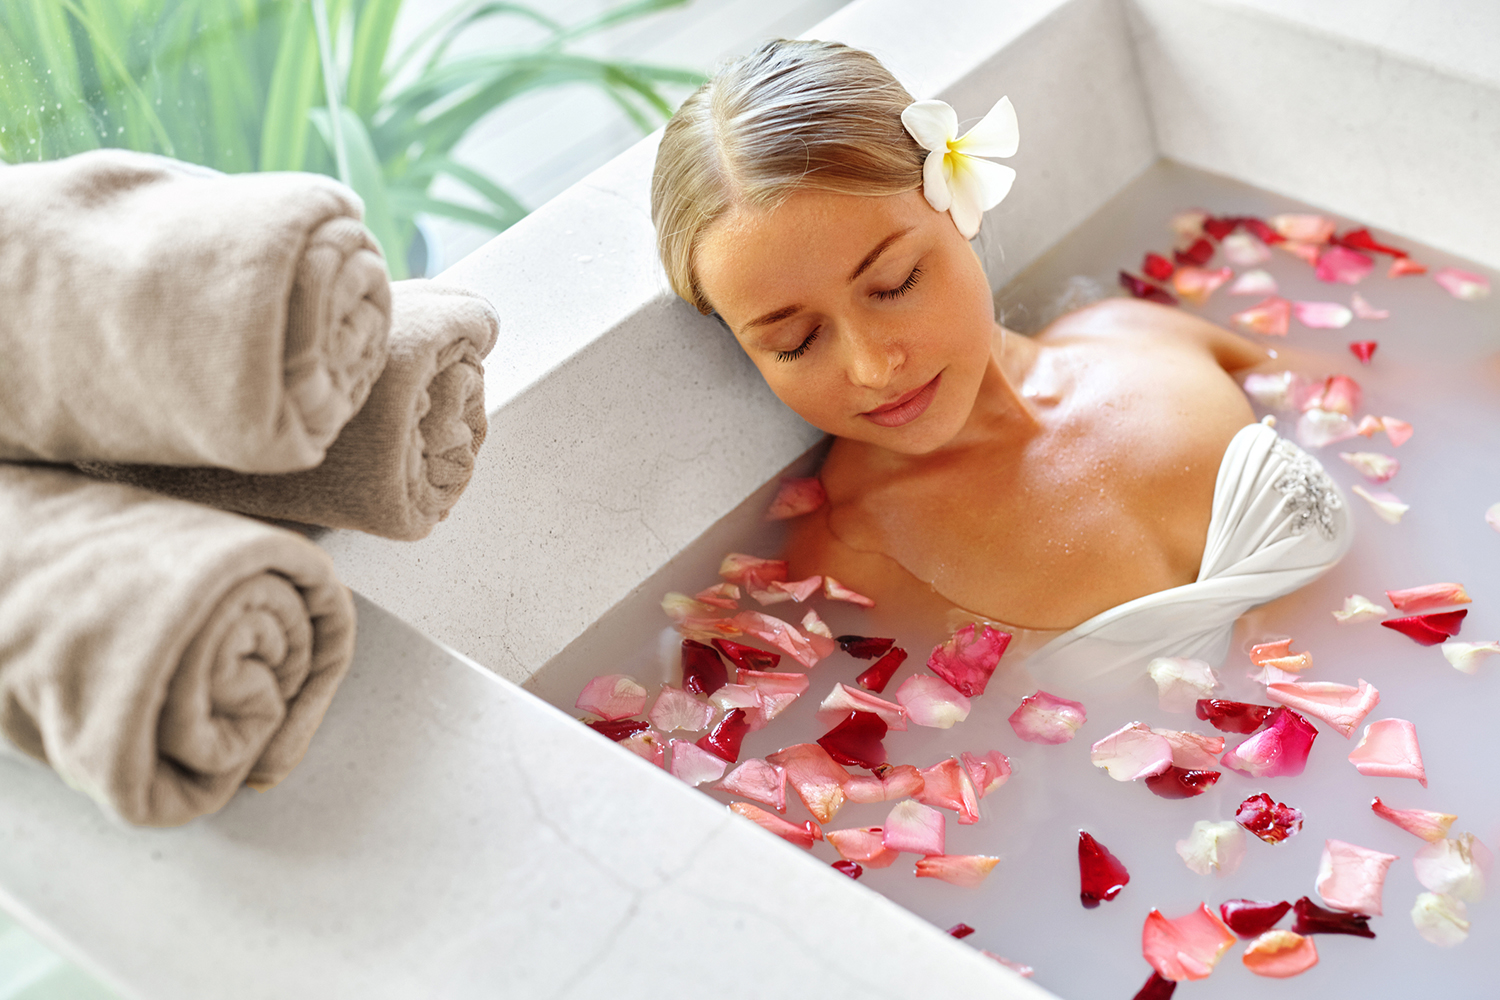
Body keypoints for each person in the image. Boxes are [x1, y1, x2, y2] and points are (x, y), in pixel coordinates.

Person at [651, 39, 1350, 685]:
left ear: (959, 203)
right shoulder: (852, 561)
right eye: (795, 341)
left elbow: (1364, 387)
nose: (872, 368)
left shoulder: (1140, 335)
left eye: (894, 282)